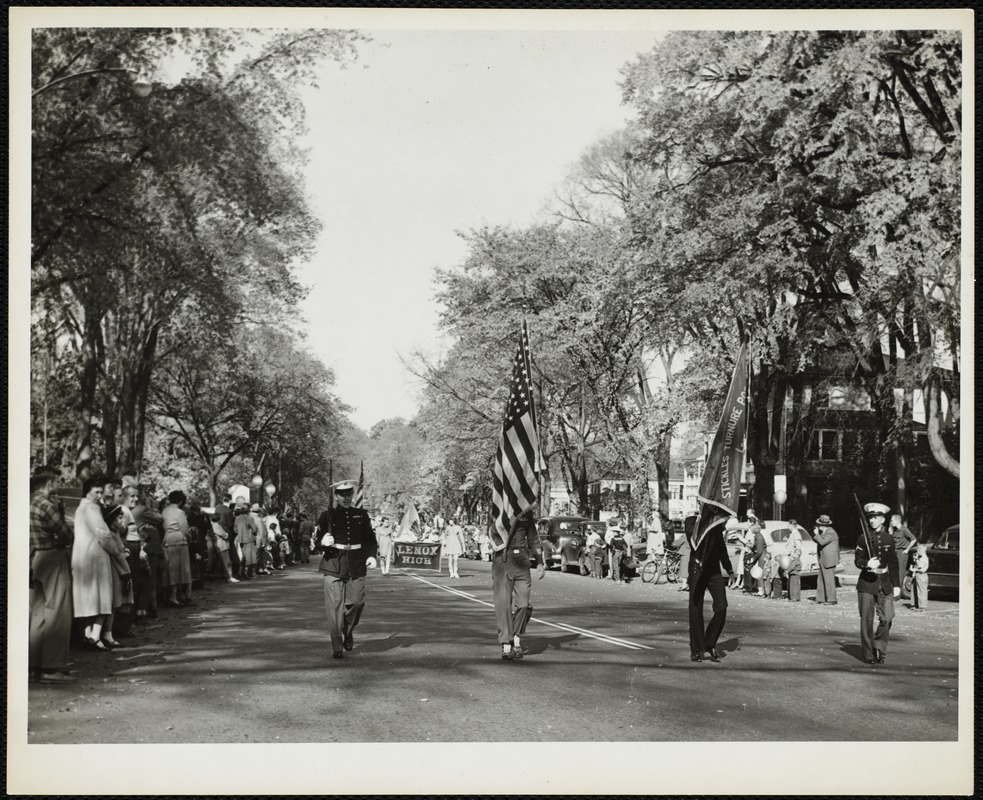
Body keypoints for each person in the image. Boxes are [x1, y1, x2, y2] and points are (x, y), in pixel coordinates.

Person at [317, 480, 378, 660]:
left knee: (357, 603)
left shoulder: (361, 515)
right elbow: (318, 537)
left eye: (349, 494)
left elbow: (369, 538)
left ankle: (347, 630)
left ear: (352, 495)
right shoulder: (326, 516)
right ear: (336, 496)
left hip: (356, 562)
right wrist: (323, 541)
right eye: (342, 495)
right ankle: (337, 647)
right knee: (334, 607)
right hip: (333, 562)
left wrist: (371, 555)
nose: (346, 498)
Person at [29, 466, 77, 683]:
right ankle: (52, 667)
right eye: (56, 482)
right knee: (58, 612)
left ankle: (34, 665)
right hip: (52, 557)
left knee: (39, 612)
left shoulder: (28, 503)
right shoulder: (47, 505)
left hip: (36, 557)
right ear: (48, 484)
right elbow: (65, 535)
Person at [71, 477, 121, 650]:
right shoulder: (91, 508)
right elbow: (103, 534)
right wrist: (115, 550)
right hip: (95, 556)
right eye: (96, 492)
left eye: (101, 492)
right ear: (87, 491)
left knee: (88, 598)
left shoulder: (80, 508)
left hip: (82, 557)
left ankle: (87, 634)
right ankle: (95, 635)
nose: (99, 496)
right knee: (102, 596)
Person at [491, 508, 545, 660]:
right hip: (503, 559)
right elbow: (492, 532)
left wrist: (540, 562)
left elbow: (533, 539)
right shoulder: (498, 509)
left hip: (522, 561)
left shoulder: (526, 513)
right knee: (504, 605)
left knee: (524, 605)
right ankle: (507, 643)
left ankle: (515, 634)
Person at [856, 502, 900, 665]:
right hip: (867, 583)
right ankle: (868, 654)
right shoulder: (863, 538)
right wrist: (867, 564)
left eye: (876, 518)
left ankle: (879, 646)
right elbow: (857, 560)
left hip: (885, 582)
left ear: (882, 519)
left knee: (887, 618)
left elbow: (894, 563)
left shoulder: (889, 538)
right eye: (871, 518)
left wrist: (897, 585)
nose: (872, 521)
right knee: (866, 620)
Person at [687, 515, 735, 663]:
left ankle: (709, 643)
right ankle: (696, 649)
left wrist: (730, 570)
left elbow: (721, 548)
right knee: (695, 609)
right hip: (697, 568)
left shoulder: (716, 526)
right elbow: (692, 540)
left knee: (721, 607)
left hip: (714, 571)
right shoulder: (691, 522)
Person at [161, 490, 194, 606]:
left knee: (171, 569)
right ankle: (184, 596)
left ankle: (172, 596)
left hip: (167, 539)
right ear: (181, 500)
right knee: (184, 570)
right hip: (179, 540)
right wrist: (189, 538)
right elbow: (184, 529)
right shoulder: (179, 512)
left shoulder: (164, 511)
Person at [889, 514, 918, 599]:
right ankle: (894, 592)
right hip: (895, 552)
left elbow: (914, 539)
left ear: (897, 521)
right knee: (894, 572)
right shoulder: (896, 531)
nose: (891, 522)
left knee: (900, 573)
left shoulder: (904, 529)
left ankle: (897, 595)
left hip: (902, 553)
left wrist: (907, 549)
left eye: (892, 520)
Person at [813, 514, 840, 605]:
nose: (818, 526)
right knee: (821, 579)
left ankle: (832, 599)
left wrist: (816, 534)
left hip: (829, 560)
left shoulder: (831, 532)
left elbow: (822, 541)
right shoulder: (825, 533)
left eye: (819, 524)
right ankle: (821, 598)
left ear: (823, 525)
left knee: (829, 580)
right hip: (824, 559)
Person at [783, 519, 804, 602]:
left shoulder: (796, 535)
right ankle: (793, 596)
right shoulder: (792, 534)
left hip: (794, 558)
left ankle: (794, 596)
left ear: (792, 525)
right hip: (791, 557)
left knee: (794, 577)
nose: (788, 527)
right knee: (791, 577)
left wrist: (793, 557)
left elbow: (798, 548)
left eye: (788, 525)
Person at [909, 543, 930, 611]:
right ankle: (916, 604)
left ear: (921, 550)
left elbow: (920, 568)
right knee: (915, 589)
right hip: (918, 575)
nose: (917, 552)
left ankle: (922, 606)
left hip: (921, 574)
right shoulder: (921, 557)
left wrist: (914, 569)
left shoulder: (923, 558)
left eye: (918, 551)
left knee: (921, 590)